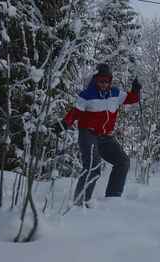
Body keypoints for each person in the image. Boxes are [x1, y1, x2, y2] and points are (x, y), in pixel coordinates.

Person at [52, 63, 141, 207]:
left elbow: (132, 99)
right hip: (88, 134)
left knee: (123, 161)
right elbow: (75, 113)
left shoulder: (115, 94)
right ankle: (80, 202)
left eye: (107, 81)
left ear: (110, 81)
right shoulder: (87, 95)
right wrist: (64, 124)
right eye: (101, 81)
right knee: (93, 166)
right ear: (95, 80)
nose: (104, 84)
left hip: (106, 136)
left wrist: (135, 90)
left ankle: (113, 199)